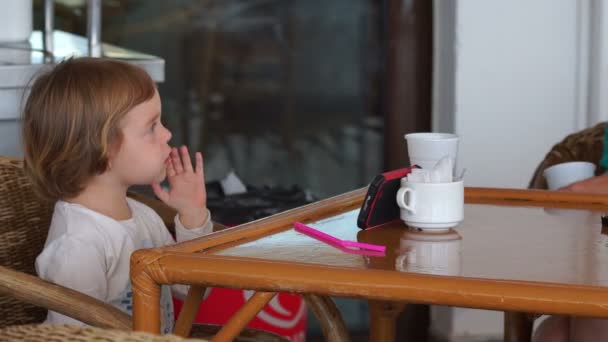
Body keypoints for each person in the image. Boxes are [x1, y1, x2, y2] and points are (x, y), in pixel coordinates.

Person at [22, 57, 212, 334]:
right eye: (152, 126)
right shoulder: (78, 246)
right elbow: (75, 337)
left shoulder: (143, 217)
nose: (167, 133)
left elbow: (192, 288)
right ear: (104, 149)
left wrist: (192, 214)